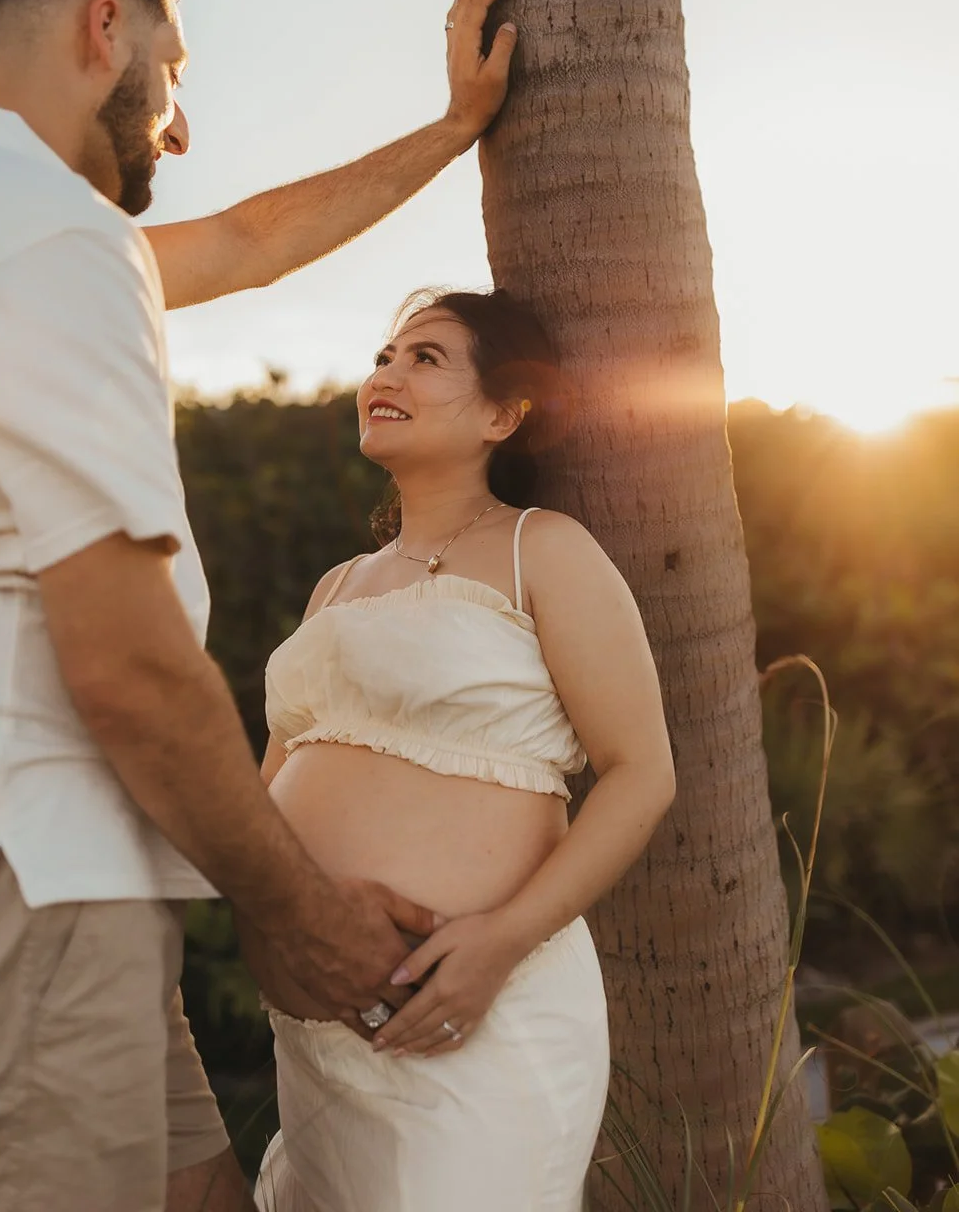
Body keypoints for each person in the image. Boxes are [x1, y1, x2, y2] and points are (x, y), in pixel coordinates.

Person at [0, 0, 515, 1212]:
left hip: (12, 882)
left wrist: (455, 129)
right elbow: (128, 666)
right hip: (8, 901)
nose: (177, 126)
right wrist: (293, 911)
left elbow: (245, 242)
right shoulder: (47, 238)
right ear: (101, 28)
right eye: (171, 75)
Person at [254, 288, 677, 1212]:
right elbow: (270, 789)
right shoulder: (337, 587)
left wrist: (500, 943)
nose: (385, 375)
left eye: (425, 358)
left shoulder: (545, 550)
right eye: (383, 356)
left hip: (481, 1006)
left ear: (502, 413)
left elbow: (642, 775)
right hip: (321, 1023)